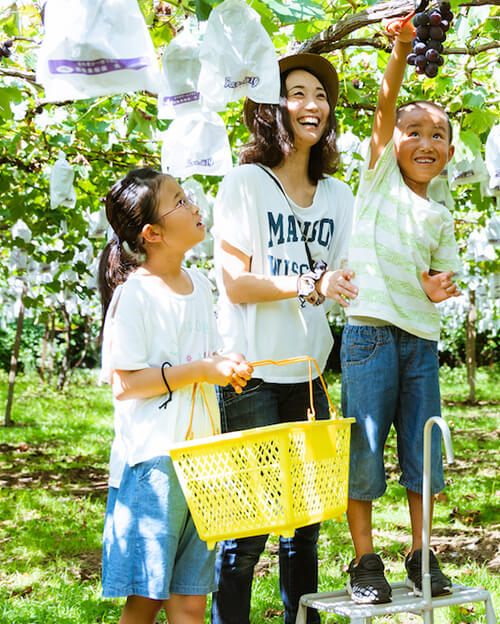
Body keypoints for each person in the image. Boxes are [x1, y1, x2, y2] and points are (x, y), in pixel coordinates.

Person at [211, 53, 359, 624]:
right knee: (247, 529)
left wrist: (333, 287)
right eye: (297, 93)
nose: (312, 105)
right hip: (249, 374)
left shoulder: (338, 196)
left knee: (305, 527)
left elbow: (331, 282)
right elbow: (235, 282)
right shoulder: (245, 183)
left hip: (309, 373)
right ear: (273, 109)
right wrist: (307, 283)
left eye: (320, 96)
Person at [96, 167, 253, 624]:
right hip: (154, 464)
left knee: (190, 600)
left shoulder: (200, 286)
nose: (194, 206)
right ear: (153, 233)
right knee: (145, 598)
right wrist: (201, 370)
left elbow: (201, 356)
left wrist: (223, 365)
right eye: (180, 201)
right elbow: (125, 382)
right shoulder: (135, 295)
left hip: (203, 458)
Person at [339, 16, 461, 604]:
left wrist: (439, 290)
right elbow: (384, 109)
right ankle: (365, 560)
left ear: (450, 153)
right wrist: (402, 49)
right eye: (414, 132)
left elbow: (443, 279)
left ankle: (421, 552)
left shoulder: (440, 216)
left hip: (420, 341)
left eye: (437, 136)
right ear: (394, 143)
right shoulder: (378, 181)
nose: (425, 143)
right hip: (368, 334)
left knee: (423, 447)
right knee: (364, 448)